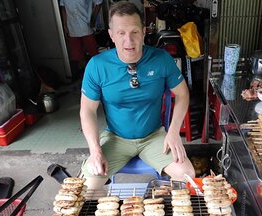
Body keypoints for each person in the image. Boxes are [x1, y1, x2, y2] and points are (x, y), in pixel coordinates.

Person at [79, 1, 195, 189]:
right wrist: (95, 150)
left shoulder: (161, 59)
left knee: (187, 175)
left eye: (134, 32)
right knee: (87, 185)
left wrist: (173, 132)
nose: (129, 41)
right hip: (116, 138)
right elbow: (87, 111)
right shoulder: (97, 65)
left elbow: (182, 94)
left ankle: (168, 214)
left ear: (143, 32)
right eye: (121, 33)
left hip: (153, 136)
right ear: (111, 35)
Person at [59, 0, 103, 74]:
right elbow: (63, 8)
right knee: (78, 56)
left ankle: (99, 72)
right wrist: (65, 25)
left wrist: (93, 19)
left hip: (86, 26)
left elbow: (99, 3)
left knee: (93, 53)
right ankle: (85, 75)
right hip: (72, 28)